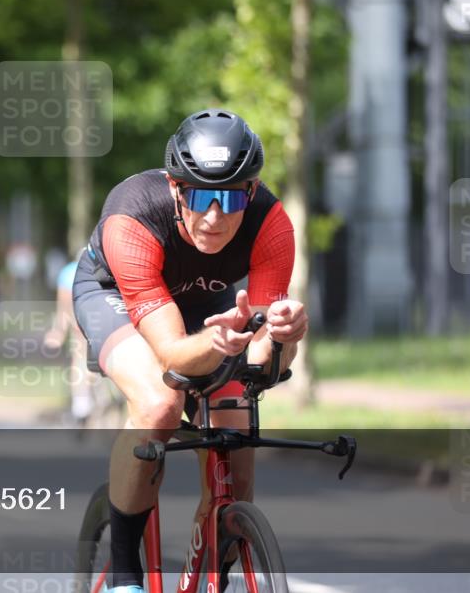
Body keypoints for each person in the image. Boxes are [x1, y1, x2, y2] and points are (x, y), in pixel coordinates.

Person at [72, 109, 308, 592]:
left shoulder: (271, 223)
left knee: (236, 437)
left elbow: (265, 365)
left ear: (249, 191)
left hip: (212, 306)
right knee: (160, 403)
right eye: (201, 195)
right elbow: (174, 355)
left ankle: (218, 555)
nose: (215, 216)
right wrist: (220, 346)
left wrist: (284, 337)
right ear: (177, 188)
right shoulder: (132, 215)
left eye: (228, 197)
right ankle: (123, 574)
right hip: (114, 294)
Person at [43, 257, 94, 425]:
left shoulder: (68, 272)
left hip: (82, 321)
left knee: (79, 359)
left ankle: (81, 405)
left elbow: (64, 307)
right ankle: (83, 403)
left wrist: (59, 331)